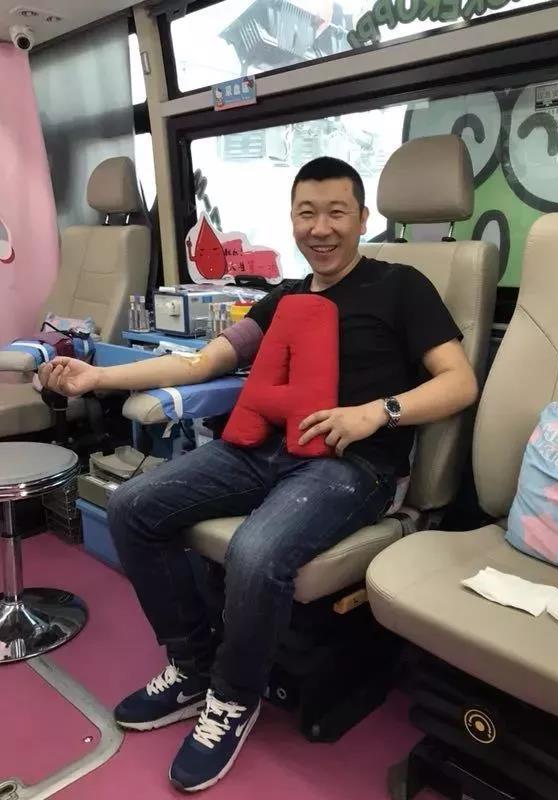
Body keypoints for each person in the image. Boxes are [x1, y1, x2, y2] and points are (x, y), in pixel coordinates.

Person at [40, 157, 478, 792]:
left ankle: (233, 696)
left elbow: (459, 383)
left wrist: (375, 413)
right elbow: (201, 364)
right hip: (263, 450)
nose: (321, 228)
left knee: (257, 550)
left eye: (337, 213)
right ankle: (193, 666)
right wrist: (97, 377)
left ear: (363, 218)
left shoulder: (402, 286)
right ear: (292, 220)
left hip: (352, 464)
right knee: (133, 505)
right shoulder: (285, 299)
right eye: (307, 214)